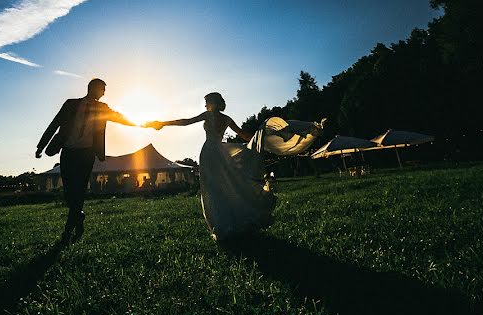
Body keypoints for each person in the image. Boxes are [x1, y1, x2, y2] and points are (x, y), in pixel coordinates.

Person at [146, 92, 323, 241]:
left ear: (212, 103)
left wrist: (162, 123)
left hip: (209, 152)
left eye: (207, 102)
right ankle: (232, 222)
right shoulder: (227, 118)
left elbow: (185, 121)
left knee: (213, 188)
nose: (206, 105)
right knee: (227, 184)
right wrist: (258, 139)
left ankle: (223, 225)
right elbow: (244, 135)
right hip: (221, 152)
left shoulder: (208, 116)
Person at [36, 78, 138, 244]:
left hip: (86, 154)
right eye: (103, 89)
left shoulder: (102, 108)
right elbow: (54, 124)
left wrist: (143, 124)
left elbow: (120, 118)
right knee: (69, 194)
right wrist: (41, 146)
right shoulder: (70, 104)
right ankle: (79, 216)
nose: (104, 93)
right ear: (94, 89)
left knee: (79, 192)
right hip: (68, 152)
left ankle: (67, 233)